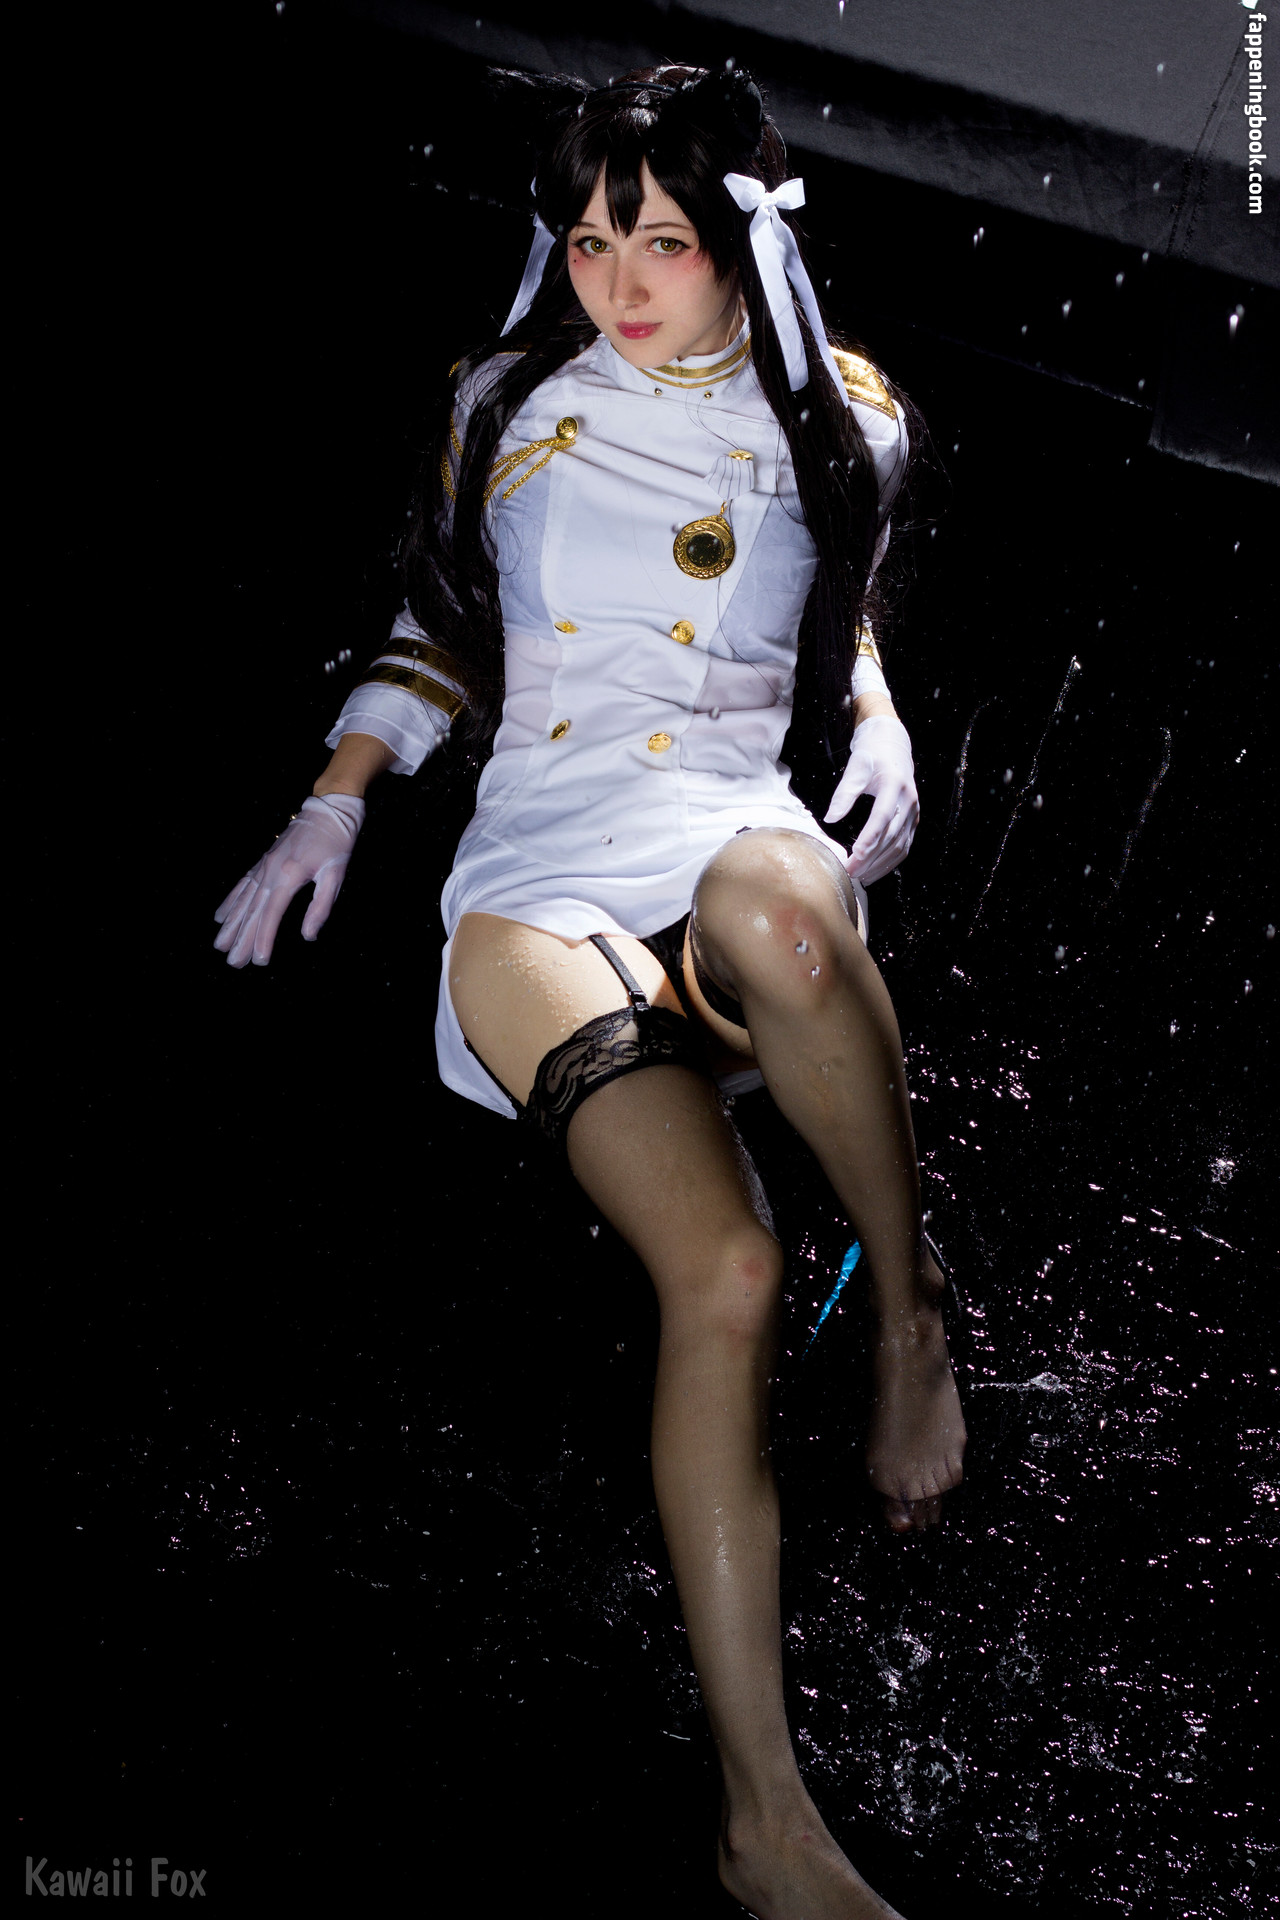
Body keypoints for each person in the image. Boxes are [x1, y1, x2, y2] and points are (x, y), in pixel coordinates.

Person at [214, 63, 965, 1920]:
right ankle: (765, 1827)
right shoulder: (506, 402)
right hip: (540, 873)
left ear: (744, 245)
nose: (618, 281)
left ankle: (912, 1318)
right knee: (727, 1271)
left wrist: (871, 706)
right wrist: (336, 801)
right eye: (588, 239)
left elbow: (843, 590)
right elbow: (442, 624)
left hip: (724, 834)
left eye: (664, 241)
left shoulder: (851, 416)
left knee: (788, 909)